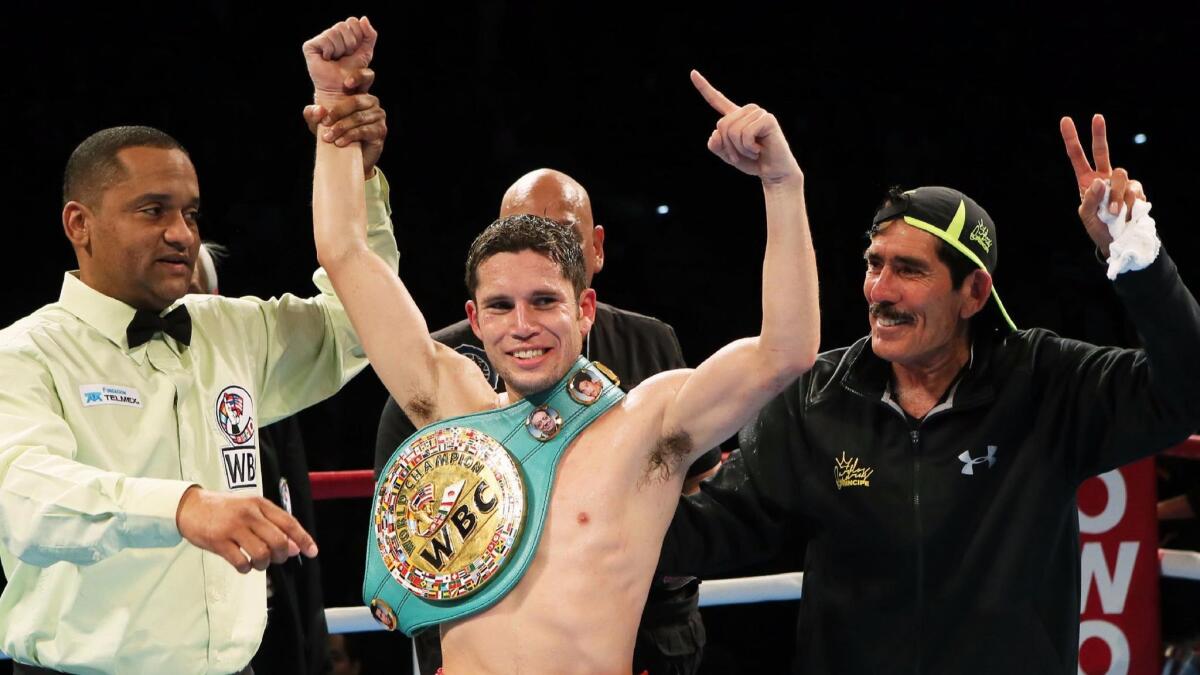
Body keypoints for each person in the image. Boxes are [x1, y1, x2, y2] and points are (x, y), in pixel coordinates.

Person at [311, 33, 819, 672]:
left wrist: (781, 180)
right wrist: (333, 102)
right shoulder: (451, 406)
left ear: (583, 308)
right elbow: (345, 253)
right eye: (500, 307)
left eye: (545, 302)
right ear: (474, 319)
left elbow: (786, 351)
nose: (522, 326)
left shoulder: (647, 427)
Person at [660, 114, 1200, 674]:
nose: (880, 291)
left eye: (909, 270)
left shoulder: (1044, 381)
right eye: (874, 264)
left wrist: (1139, 258)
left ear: (974, 292)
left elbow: (1186, 392)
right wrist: (594, 507)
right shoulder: (819, 395)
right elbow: (723, 523)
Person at [0, 17, 394, 673]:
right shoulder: (25, 355)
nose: (182, 232)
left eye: (190, 212)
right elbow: (27, 498)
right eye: (153, 210)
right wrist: (181, 506)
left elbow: (363, 321)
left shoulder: (229, 329)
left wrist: (353, 165)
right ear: (80, 224)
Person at [373, 167, 722, 674]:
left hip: (650, 631)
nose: (538, 251)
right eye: (518, 236)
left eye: (562, 237)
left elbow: (700, 486)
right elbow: (400, 523)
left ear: (595, 250)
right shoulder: (444, 367)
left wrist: (623, 550)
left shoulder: (651, 343)